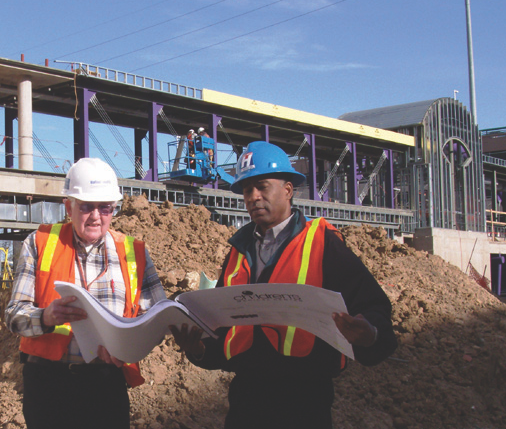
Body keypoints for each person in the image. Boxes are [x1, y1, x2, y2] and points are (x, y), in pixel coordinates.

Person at [170, 141, 397, 429]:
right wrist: (198, 348)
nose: (252, 197)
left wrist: (369, 334)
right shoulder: (238, 252)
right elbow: (224, 333)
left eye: (262, 186)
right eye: (246, 189)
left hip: (304, 404)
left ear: (288, 190)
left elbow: (374, 307)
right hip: (246, 403)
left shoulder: (322, 243)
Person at [5, 157, 166, 429]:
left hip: (106, 384)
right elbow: (13, 316)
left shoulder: (134, 252)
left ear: (114, 209)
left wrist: (128, 347)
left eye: (105, 208)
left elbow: (156, 319)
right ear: (69, 206)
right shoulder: (40, 242)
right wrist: (45, 317)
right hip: (48, 387)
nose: (96, 216)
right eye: (87, 207)